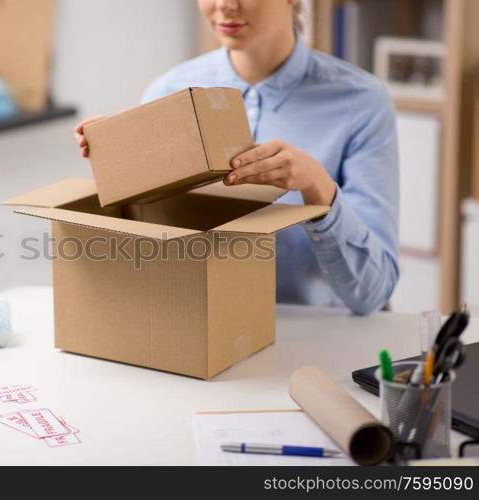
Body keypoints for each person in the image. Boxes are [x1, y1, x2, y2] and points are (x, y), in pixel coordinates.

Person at [74, 0, 399, 316]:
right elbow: (148, 254)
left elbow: (372, 292)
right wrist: (118, 164)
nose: (225, 5)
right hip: (197, 331)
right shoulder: (168, 92)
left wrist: (317, 186)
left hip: (311, 341)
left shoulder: (361, 101)